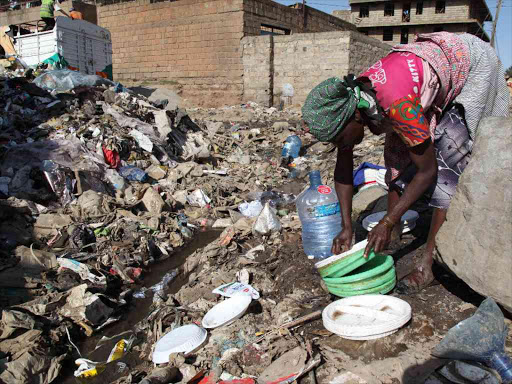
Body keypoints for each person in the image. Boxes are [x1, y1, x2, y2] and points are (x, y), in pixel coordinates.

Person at [302, 32, 510, 293]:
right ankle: (394, 233)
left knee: (448, 164)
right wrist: (346, 227)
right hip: (416, 84)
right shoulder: (355, 100)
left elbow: (427, 171)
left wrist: (386, 221)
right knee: (397, 159)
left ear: (355, 117)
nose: (340, 146)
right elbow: (343, 167)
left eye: (339, 138)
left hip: (468, 66)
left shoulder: (397, 105)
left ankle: (429, 267)